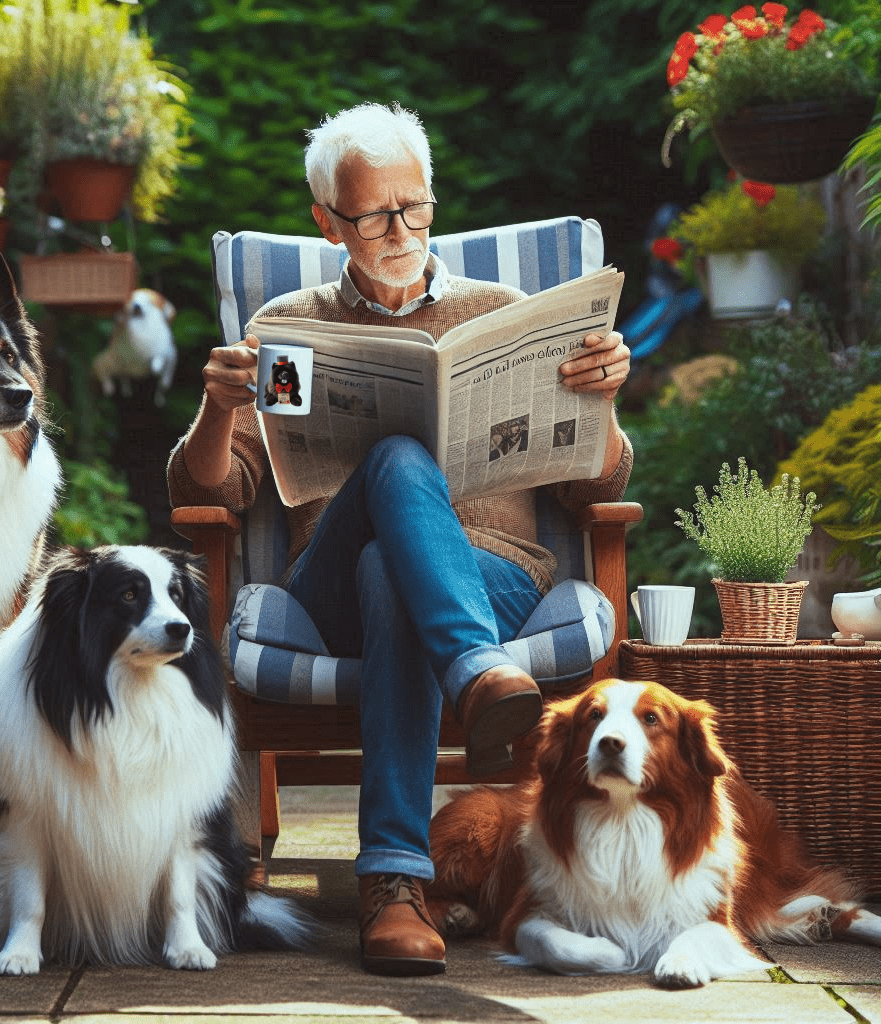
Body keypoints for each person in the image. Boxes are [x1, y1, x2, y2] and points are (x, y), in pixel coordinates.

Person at [167, 101, 633, 977]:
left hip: (495, 578)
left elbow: (597, 484)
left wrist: (601, 402)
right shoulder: (287, 326)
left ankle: (392, 883)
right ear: (326, 221)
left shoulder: (506, 312)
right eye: (372, 214)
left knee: (395, 572)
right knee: (390, 465)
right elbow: (204, 492)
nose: (399, 229)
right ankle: (477, 674)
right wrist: (219, 405)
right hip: (329, 591)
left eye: (413, 206)